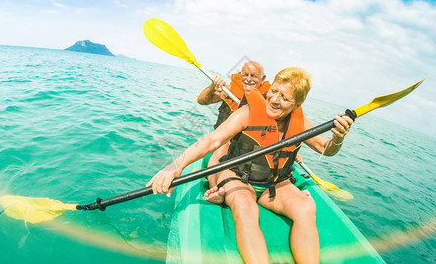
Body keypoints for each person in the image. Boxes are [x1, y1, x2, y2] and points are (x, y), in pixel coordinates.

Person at [147, 67, 353, 263]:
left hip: (274, 184)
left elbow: (326, 149)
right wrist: (176, 166)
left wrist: (338, 138)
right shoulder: (248, 112)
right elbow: (212, 140)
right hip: (238, 176)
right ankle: (221, 193)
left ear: (297, 104)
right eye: (274, 91)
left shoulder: (301, 122)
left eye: (285, 97)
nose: (274, 99)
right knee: (245, 206)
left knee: (306, 206)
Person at [196, 61, 271, 188]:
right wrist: (212, 87)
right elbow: (201, 101)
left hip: (249, 144)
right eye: (245, 75)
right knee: (221, 150)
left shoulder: (269, 99)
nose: (248, 79)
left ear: (262, 79)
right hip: (227, 139)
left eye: (253, 76)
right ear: (240, 75)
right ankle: (214, 188)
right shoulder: (230, 90)